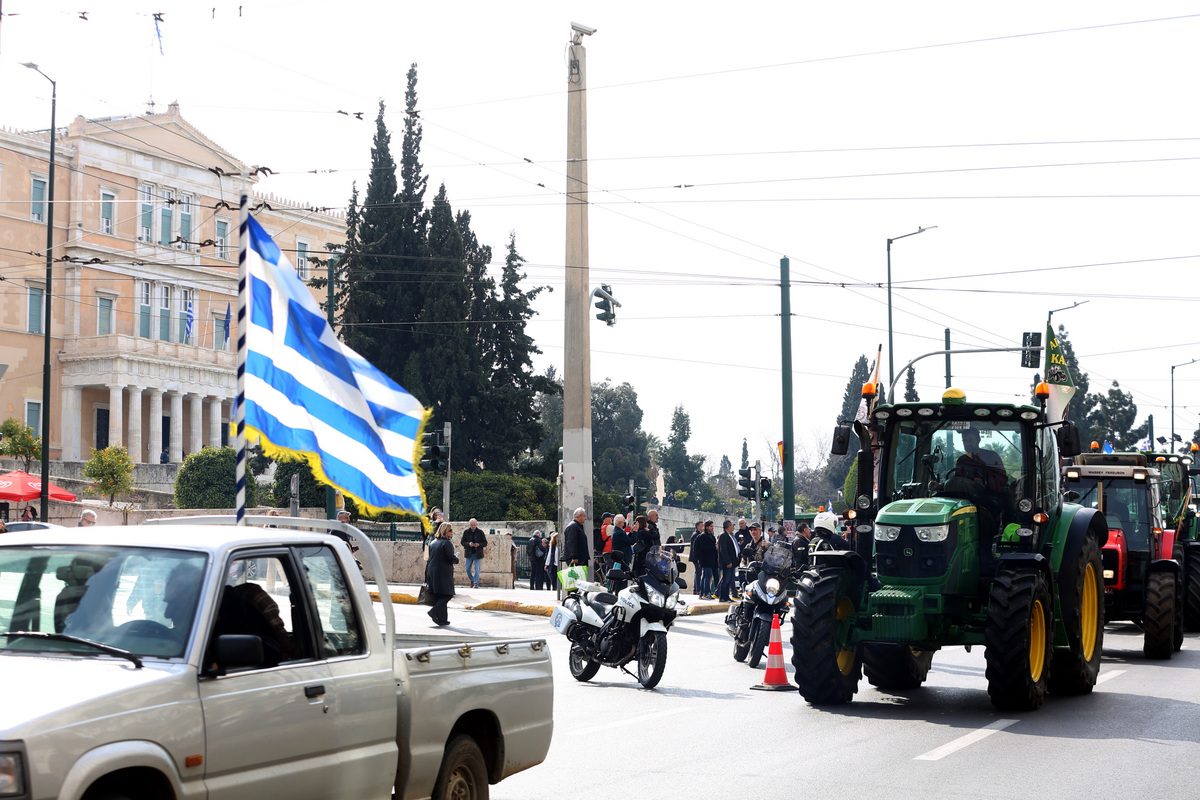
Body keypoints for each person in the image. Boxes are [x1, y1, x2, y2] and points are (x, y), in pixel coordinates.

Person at [425, 522, 459, 626]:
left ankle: (442, 619)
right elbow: (450, 557)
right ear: (445, 531)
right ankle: (434, 611)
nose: (451, 532)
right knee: (448, 594)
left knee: (440, 595)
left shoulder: (433, 542)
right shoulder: (447, 543)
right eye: (450, 530)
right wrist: (456, 559)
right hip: (443, 571)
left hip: (432, 571)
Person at [716, 520, 739, 602]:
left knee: (728, 580)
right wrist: (728, 561)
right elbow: (723, 550)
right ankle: (722, 597)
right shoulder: (723, 536)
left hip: (731, 562)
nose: (733, 527)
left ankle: (726, 597)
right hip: (727, 563)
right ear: (729, 526)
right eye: (733, 525)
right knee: (725, 580)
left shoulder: (729, 535)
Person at [461, 518, 487, 589]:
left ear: (476, 525)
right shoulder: (466, 532)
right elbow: (462, 542)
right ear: (469, 525)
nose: (472, 526)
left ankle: (476, 583)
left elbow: (485, 542)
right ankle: (472, 579)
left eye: (474, 525)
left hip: (477, 553)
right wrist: (468, 544)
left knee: (477, 569)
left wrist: (479, 544)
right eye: (471, 525)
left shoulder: (480, 532)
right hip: (469, 553)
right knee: (467, 568)